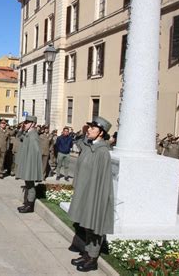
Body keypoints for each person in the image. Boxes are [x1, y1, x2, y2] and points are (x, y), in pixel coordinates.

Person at [67, 116, 114, 272]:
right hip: (86, 193)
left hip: (95, 195)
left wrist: (96, 199)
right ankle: (87, 254)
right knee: (87, 225)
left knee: (94, 226)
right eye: (90, 127)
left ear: (101, 133)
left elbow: (101, 180)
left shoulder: (102, 152)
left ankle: (92, 259)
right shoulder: (90, 147)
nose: (89, 130)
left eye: (93, 128)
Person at [15, 115, 42, 213]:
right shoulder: (28, 133)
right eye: (25, 122)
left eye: (27, 123)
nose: (25, 124)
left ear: (33, 124)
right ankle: (27, 203)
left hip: (30, 165)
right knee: (27, 184)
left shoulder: (33, 135)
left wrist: (31, 167)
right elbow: (19, 136)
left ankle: (30, 206)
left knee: (30, 185)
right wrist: (21, 129)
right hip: (27, 163)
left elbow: (36, 152)